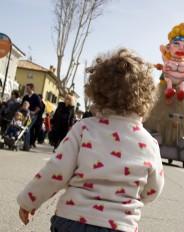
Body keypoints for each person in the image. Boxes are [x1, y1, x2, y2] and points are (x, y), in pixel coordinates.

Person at [17, 48, 164, 232]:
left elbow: (56, 171)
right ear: (146, 98)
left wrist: (29, 201)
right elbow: (152, 190)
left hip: (72, 220)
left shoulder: (84, 128)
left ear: (97, 91)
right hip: (120, 225)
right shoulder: (149, 143)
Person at [22, 83, 42, 149]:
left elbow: (39, 107)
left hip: (32, 115)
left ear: (31, 88)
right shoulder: (25, 97)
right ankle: (24, 144)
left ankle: (26, 146)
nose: (26, 89)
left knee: (27, 128)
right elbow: (22, 105)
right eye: (26, 88)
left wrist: (34, 112)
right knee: (23, 128)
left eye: (28, 88)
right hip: (24, 114)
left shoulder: (36, 96)